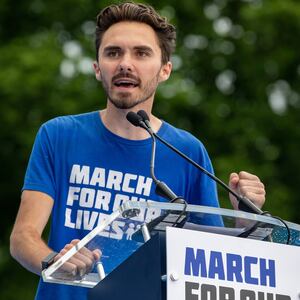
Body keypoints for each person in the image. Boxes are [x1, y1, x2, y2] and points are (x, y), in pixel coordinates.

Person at [10, 2, 266, 300]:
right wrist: (54, 261)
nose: (125, 63)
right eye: (113, 52)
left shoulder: (187, 151)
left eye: (141, 53)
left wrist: (246, 217)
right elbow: (22, 237)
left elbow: (212, 264)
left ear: (165, 70)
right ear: (97, 68)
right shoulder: (58, 135)